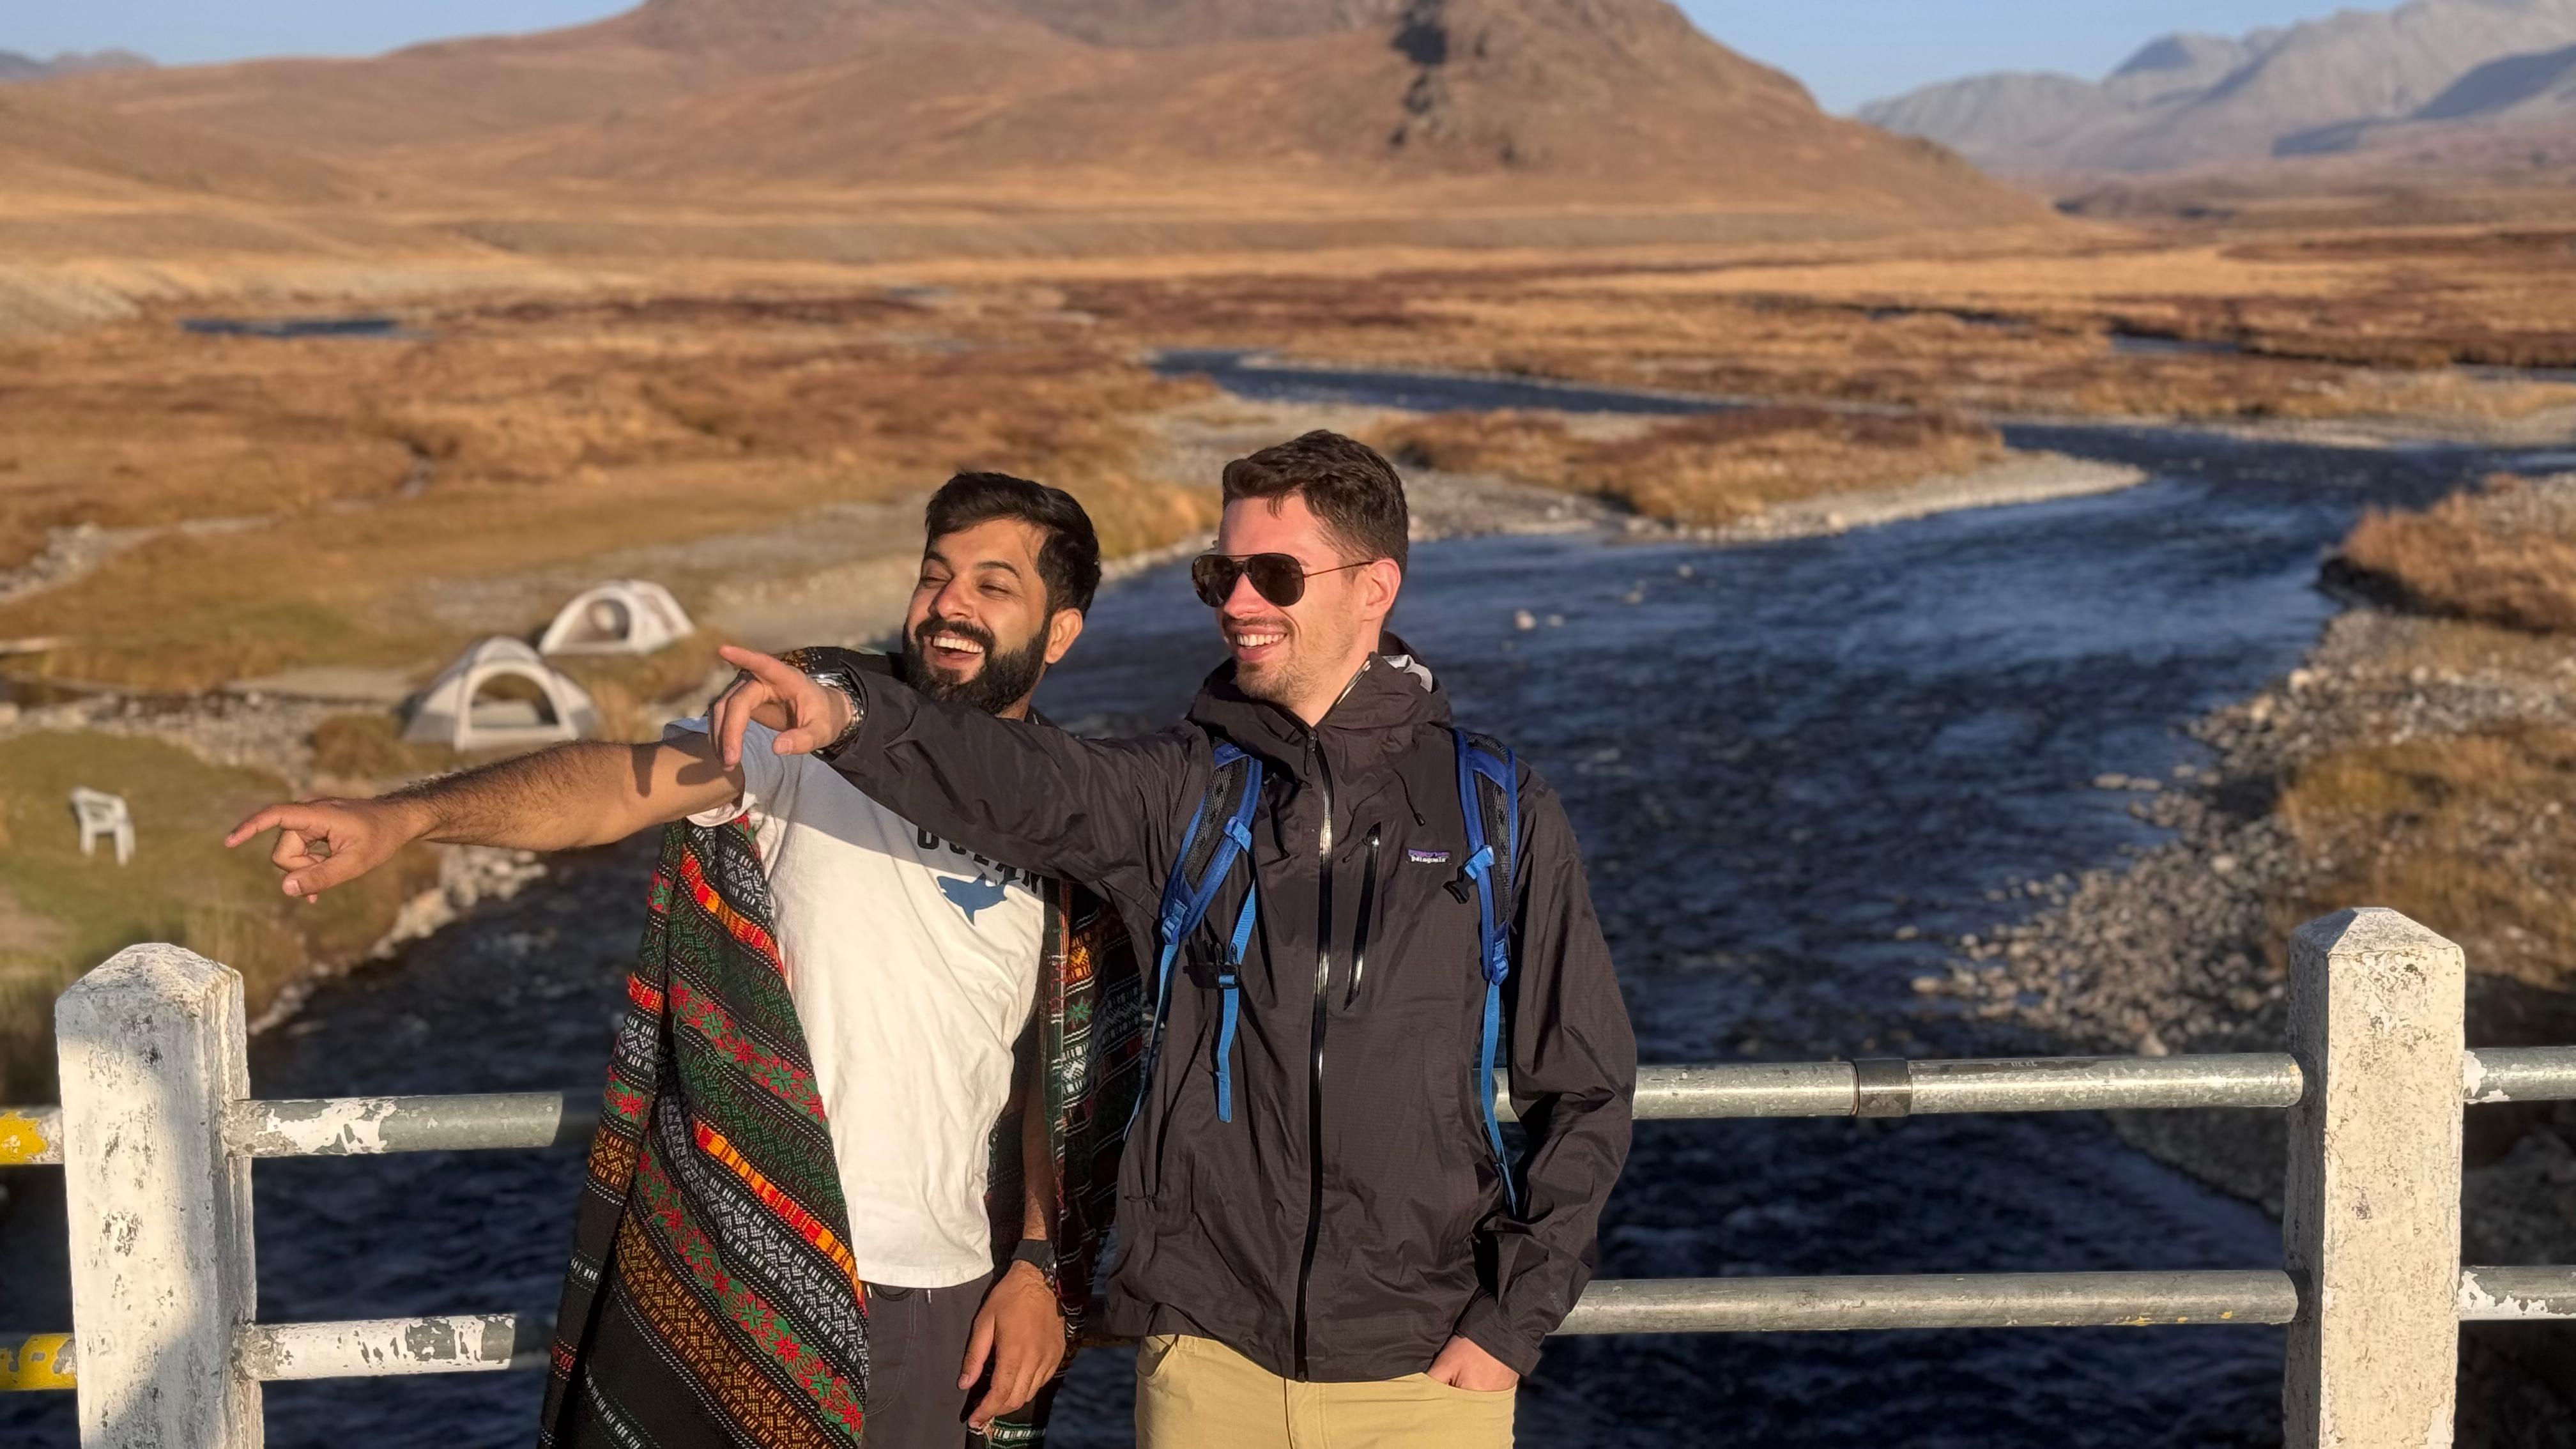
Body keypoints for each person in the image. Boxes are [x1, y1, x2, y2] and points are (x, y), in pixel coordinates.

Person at [710, 431, 1636, 1448]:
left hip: (1427, 1374)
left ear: (1375, 588)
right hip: (1207, 1364)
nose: (1238, 602)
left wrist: (1510, 1322)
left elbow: (1585, 1087)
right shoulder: (1183, 789)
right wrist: (853, 719)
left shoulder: (1494, 809)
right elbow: (1024, 783)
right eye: (1220, 574)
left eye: (1273, 575)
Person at [226, 473, 1146, 1449]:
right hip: (735, 1261)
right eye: (935, 575)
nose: (951, 604)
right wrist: (404, 817)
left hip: (939, 1295)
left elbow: (1060, 1070)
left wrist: (1038, 1266)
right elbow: (615, 789)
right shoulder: (803, 736)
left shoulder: (1069, 814)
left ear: (1061, 633)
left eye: (993, 586)